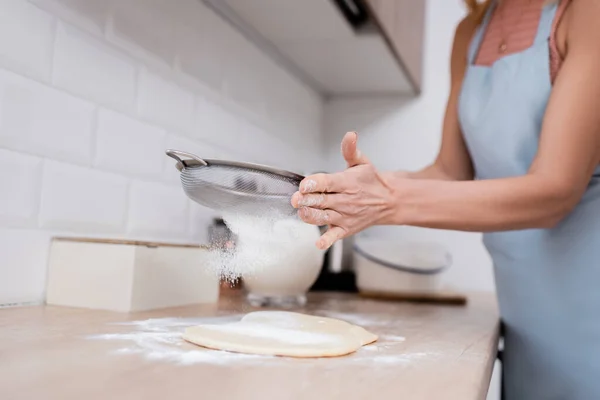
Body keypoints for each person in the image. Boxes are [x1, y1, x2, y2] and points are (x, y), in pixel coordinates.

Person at [291, 0, 600, 398]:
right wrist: (357, 186)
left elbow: (555, 190)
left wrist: (387, 199)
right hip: (526, 316)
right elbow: (449, 172)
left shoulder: (587, 11)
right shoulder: (470, 34)